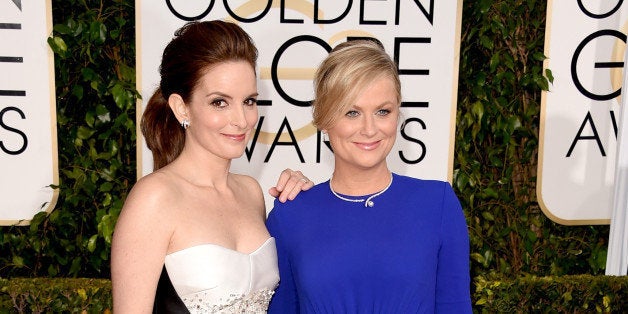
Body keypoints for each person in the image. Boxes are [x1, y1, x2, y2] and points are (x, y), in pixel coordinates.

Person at [110, 20, 313, 313]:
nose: (241, 120)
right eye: (220, 102)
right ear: (182, 107)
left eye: (249, 101)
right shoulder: (154, 198)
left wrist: (307, 201)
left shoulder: (251, 192)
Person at [266, 40, 472, 313]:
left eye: (382, 111)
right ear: (324, 119)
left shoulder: (437, 204)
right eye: (352, 112)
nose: (369, 129)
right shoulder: (291, 214)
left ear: (398, 114)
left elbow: (455, 307)